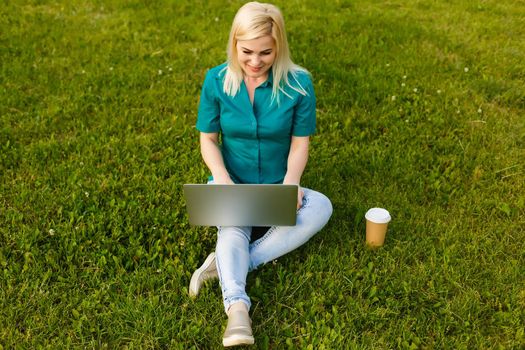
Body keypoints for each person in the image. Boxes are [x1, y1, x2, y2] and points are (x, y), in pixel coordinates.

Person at [189, 2, 333, 347]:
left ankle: (229, 262)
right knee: (234, 224)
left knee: (321, 207)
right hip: (232, 181)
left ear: (279, 46)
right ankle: (237, 308)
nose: (255, 62)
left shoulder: (299, 85)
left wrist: (292, 184)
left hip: (276, 185)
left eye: (265, 52)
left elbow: (300, 145)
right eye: (247, 52)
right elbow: (207, 139)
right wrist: (221, 178)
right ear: (234, 44)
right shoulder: (216, 81)